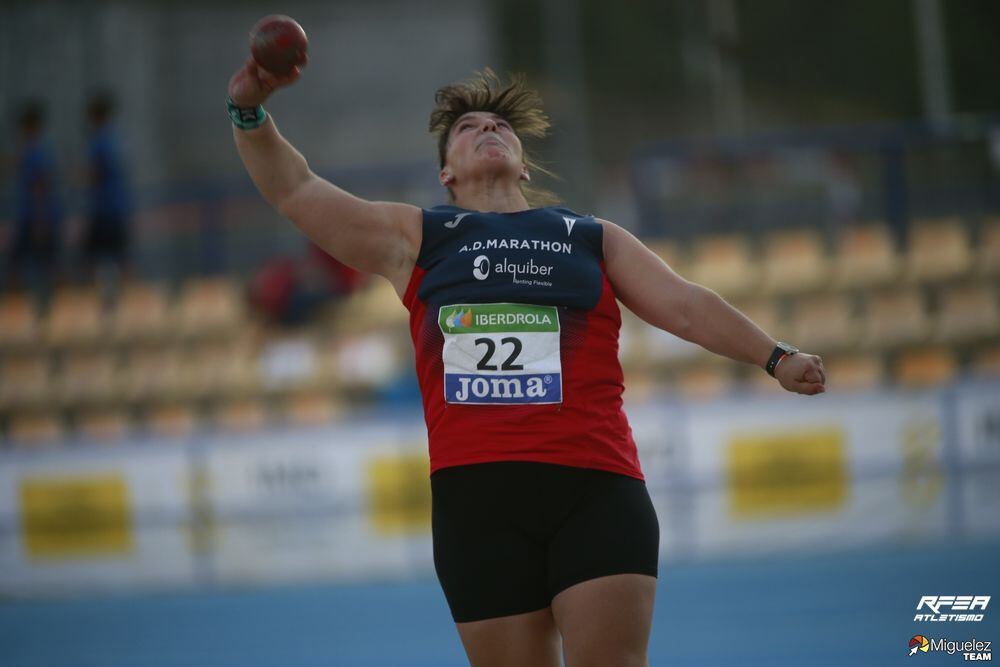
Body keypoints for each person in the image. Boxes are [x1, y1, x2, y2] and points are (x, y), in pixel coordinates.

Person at [227, 54, 827, 666]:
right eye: (468, 128)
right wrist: (249, 111)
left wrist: (774, 356)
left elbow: (685, 306)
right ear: (445, 173)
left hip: (595, 488)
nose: (487, 130)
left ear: (522, 158)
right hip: (477, 505)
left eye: (500, 126)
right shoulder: (418, 239)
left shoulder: (591, 237)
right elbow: (296, 190)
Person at [6, 101, 63, 300]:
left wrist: (41, 219)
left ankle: (42, 306)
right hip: (34, 216)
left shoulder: (36, 151)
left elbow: (41, 186)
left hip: (36, 217)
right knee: (35, 264)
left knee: (37, 265)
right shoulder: (34, 150)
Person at [81, 91, 131, 286]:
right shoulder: (116, 138)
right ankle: (128, 296)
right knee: (120, 256)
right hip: (118, 206)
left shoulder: (98, 142)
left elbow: (96, 173)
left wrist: (78, 176)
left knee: (94, 257)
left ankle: (106, 298)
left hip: (103, 208)